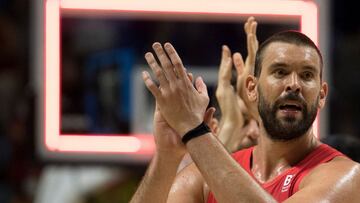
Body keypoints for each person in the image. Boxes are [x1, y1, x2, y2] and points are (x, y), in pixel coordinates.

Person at [130, 23, 360, 202]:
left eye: (307, 75)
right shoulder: (202, 178)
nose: (294, 84)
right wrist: (167, 156)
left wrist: (194, 129)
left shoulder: (346, 176)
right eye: (280, 72)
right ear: (251, 88)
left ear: (321, 95)